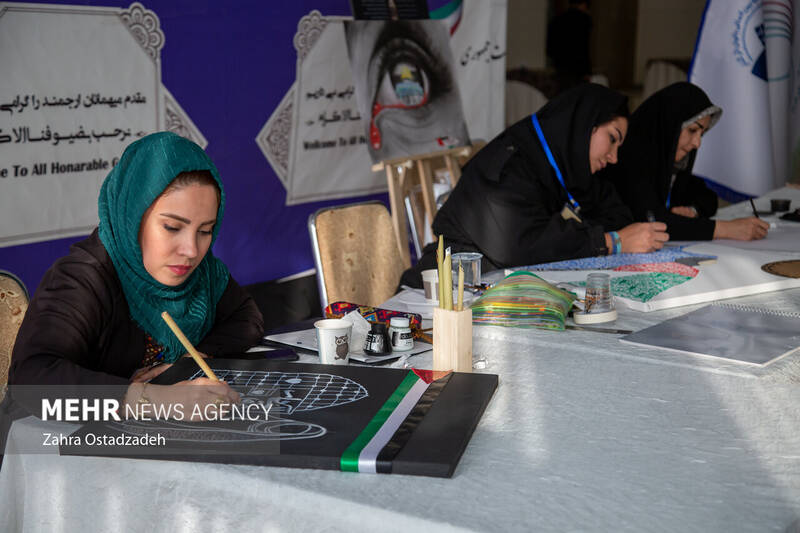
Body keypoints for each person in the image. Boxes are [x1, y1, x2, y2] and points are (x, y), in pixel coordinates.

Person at [7, 132, 264, 419]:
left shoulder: (204, 274)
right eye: (171, 227)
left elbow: (246, 317)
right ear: (133, 217)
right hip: (48, 446)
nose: (191, 250)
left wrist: (190, 359)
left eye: (205, 231)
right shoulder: (83, 278)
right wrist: (154, 399)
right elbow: (32, 380)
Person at [400, 83, 668, 288]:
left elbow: (616, 215)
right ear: (585, 124)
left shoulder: (564, 163)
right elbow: (520, 245)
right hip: (446, 292)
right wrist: (611, 242)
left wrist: (609, 235)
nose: (614, 157)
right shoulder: (510, 165)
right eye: (612, 139)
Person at [601, 82, 769, 241]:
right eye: (692, 130)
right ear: (670, 124)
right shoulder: (628, 157)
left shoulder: (670, 161)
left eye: (701, 134)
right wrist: (726, 229)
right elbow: (652, 219)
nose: (697, 143)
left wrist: (693, 211)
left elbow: (708, 198)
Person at [546, 0, 593, 94]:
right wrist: (586, 71)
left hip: (560, 68)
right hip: (577, 70)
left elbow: (549, 49)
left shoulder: (557, 19)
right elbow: (583, 47)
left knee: (563, 98)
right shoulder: (584, 19)